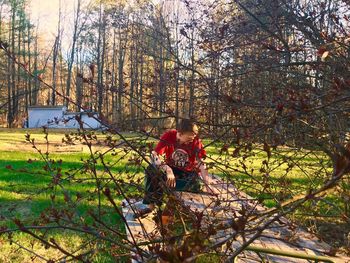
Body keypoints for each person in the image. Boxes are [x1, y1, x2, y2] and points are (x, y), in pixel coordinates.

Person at [136, 119, 216, 217]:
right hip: (171, 171)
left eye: (193, 137)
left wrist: (207, 184)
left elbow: (201, 164)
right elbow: (154, 155)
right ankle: (150, 207)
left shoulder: (196, 142)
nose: (191, 140)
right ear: (179, 133)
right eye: (188, 139)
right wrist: (167, 169)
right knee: (152, 170)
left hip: (187, 175)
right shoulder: (169, 136)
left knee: (195, 186)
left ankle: (171, 209)